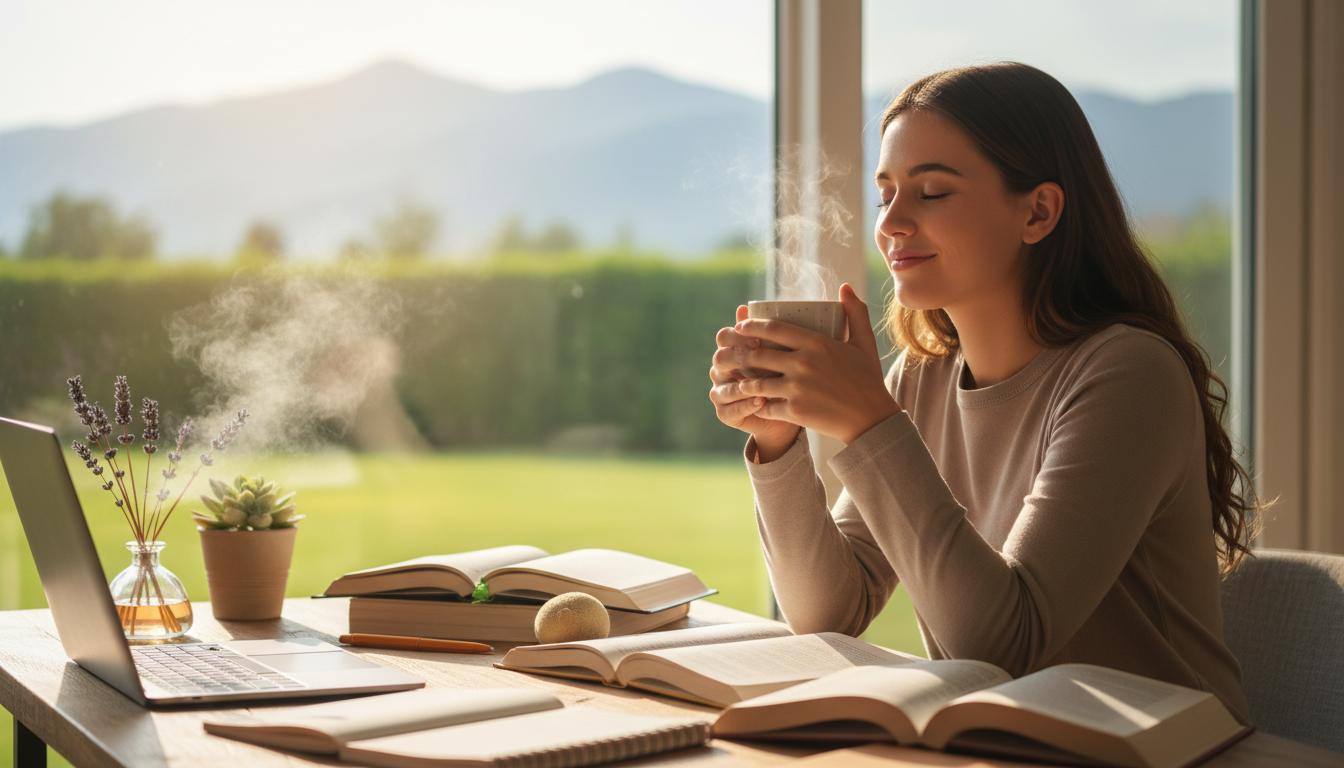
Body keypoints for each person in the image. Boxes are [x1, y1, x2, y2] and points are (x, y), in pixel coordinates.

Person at [707, 62, 1264, 724]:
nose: (890, 224)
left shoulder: (1127, 375)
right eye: (885, 194)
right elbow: (830, 610)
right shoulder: (923, 379)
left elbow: (1005, 645)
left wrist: (870, 426)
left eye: (932, 192)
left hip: (1162, 751)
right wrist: (778, 443)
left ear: (1038, 211)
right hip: (1007, 744)